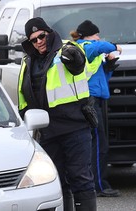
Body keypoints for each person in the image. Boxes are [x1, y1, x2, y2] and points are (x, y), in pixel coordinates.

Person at [18, 17, 96, 210]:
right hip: (48, 132)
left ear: (49, 32)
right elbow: (22, 96)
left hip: (75, 127)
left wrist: (73, 56)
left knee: (80, 178)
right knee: (56, 182)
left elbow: (79, 63)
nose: (38, 42)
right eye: (33, 40)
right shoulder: (28, 61)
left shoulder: (67, 50)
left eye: (41, 36)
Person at [70, 20, 122, 197]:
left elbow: (102, 77)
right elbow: (101, 45)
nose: (99, 37)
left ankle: (95, 183)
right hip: (90, 100)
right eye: (96, 34)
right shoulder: (85, 46)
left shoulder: (92, 50)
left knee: (95, 143)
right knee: (99, 144)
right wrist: (114, 46)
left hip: (97, 98)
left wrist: (108, 66)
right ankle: (99, 186)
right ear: (87, 35)